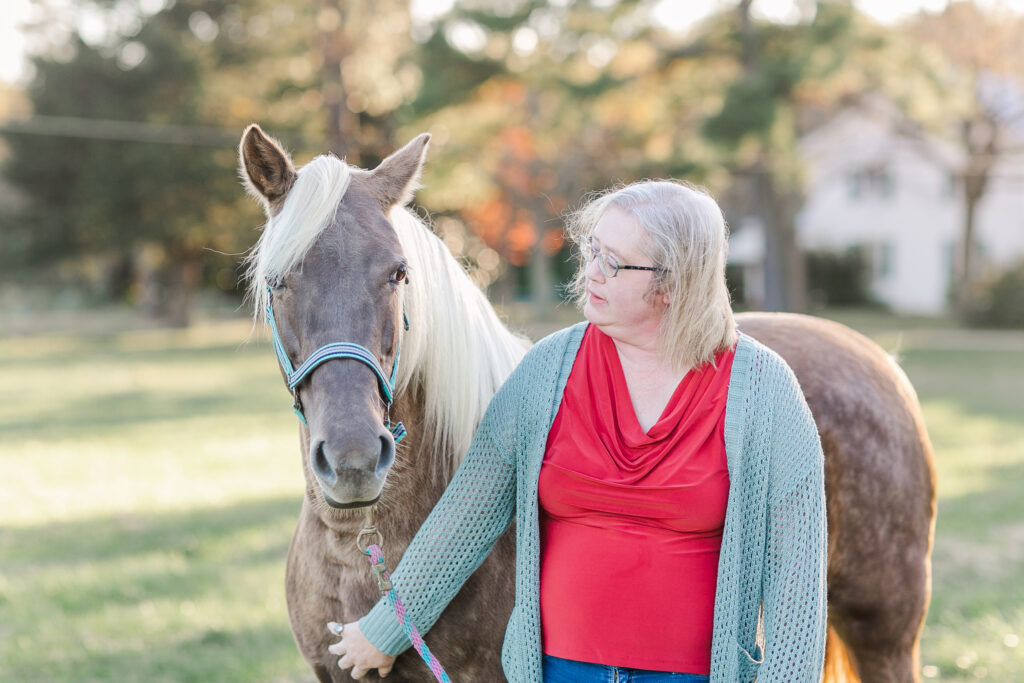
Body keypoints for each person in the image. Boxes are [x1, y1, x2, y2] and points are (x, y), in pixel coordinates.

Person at [328, 180, 827, 682]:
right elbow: (466, 515)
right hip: (558, 671)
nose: (590, 272)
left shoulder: (764, 390)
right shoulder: (547, 371)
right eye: (592, 250)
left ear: (674, 284)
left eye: (613, 262)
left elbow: (797, 579)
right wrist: (386, 628)